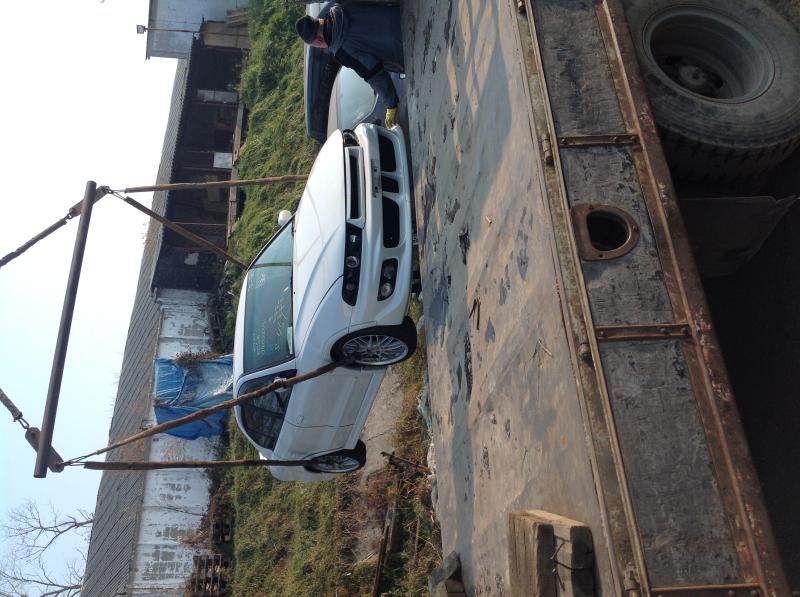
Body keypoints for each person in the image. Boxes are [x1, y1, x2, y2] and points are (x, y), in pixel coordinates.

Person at [295, 2, 404, 128]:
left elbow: (373, 72)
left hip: (406, 46)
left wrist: (391, 104)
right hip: (406, 13)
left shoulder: (342, 50)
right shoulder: (341, 7)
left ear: (319, 40)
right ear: (319, 20)